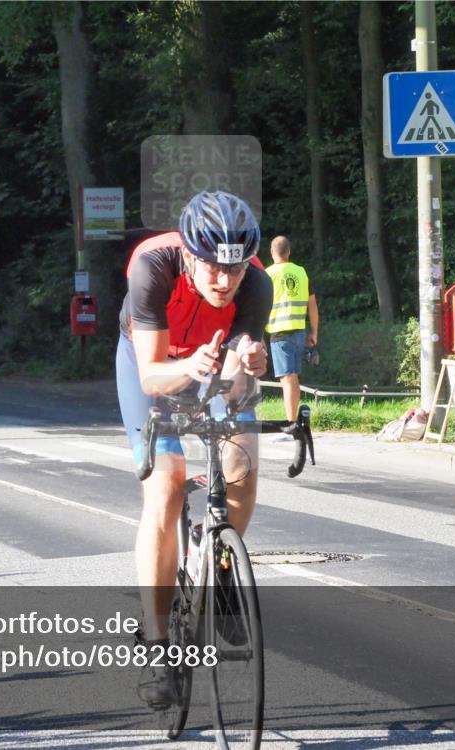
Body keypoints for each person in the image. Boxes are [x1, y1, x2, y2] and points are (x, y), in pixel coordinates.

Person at [116, 191, 272, 708]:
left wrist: (247, 361)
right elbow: (152, 375)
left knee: (243, 459)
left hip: (208, 366)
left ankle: (221, 568)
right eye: (212, 269)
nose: (225, 283)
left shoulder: (257, 283)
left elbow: (237, 377)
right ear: (188, 253)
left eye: (235, 270)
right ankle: (158, 646)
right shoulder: (152, 268)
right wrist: (192, 367)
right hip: (156, 367)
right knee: (165, 485)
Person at [265, 236, 319, 425]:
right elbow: (312, 304)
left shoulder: (268, 274)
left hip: (280, 334)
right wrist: (314, 333)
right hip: (299, 332)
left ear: (272, 252)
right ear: (289, 252)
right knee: (293, 378)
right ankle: (294, 421)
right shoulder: (301, 272)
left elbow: (259, 305)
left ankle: (290, 425)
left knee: (287, 380)